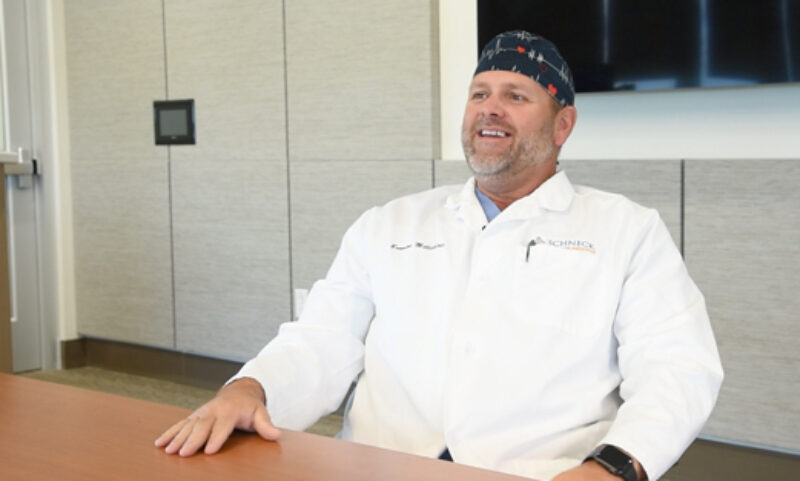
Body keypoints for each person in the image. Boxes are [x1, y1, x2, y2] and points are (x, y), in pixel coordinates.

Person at [155, 30, 723, 481]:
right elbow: (322, 339)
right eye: (480, 94)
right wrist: (252, 389)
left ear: (563, 125)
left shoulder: (627, 231)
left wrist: (611, 468)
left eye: (516, 96)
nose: (490, 110)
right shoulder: (390, 223)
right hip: (375, 467)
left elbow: (678, 369)